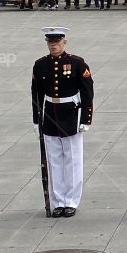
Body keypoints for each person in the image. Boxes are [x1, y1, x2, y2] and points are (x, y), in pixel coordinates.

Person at [31, 27, 94, 218]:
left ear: (64, 42)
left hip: (71, 115)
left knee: (73, 161)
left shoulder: (77, 63)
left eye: (57, 42)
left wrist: (86, 118)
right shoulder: (40, 64)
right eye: (50, 42)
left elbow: (87, 92)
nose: (53, 45)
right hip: (50, 114)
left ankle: (71, 201)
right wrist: (37, 120)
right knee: (55, 162)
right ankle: (58, 201)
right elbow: (36, 95)